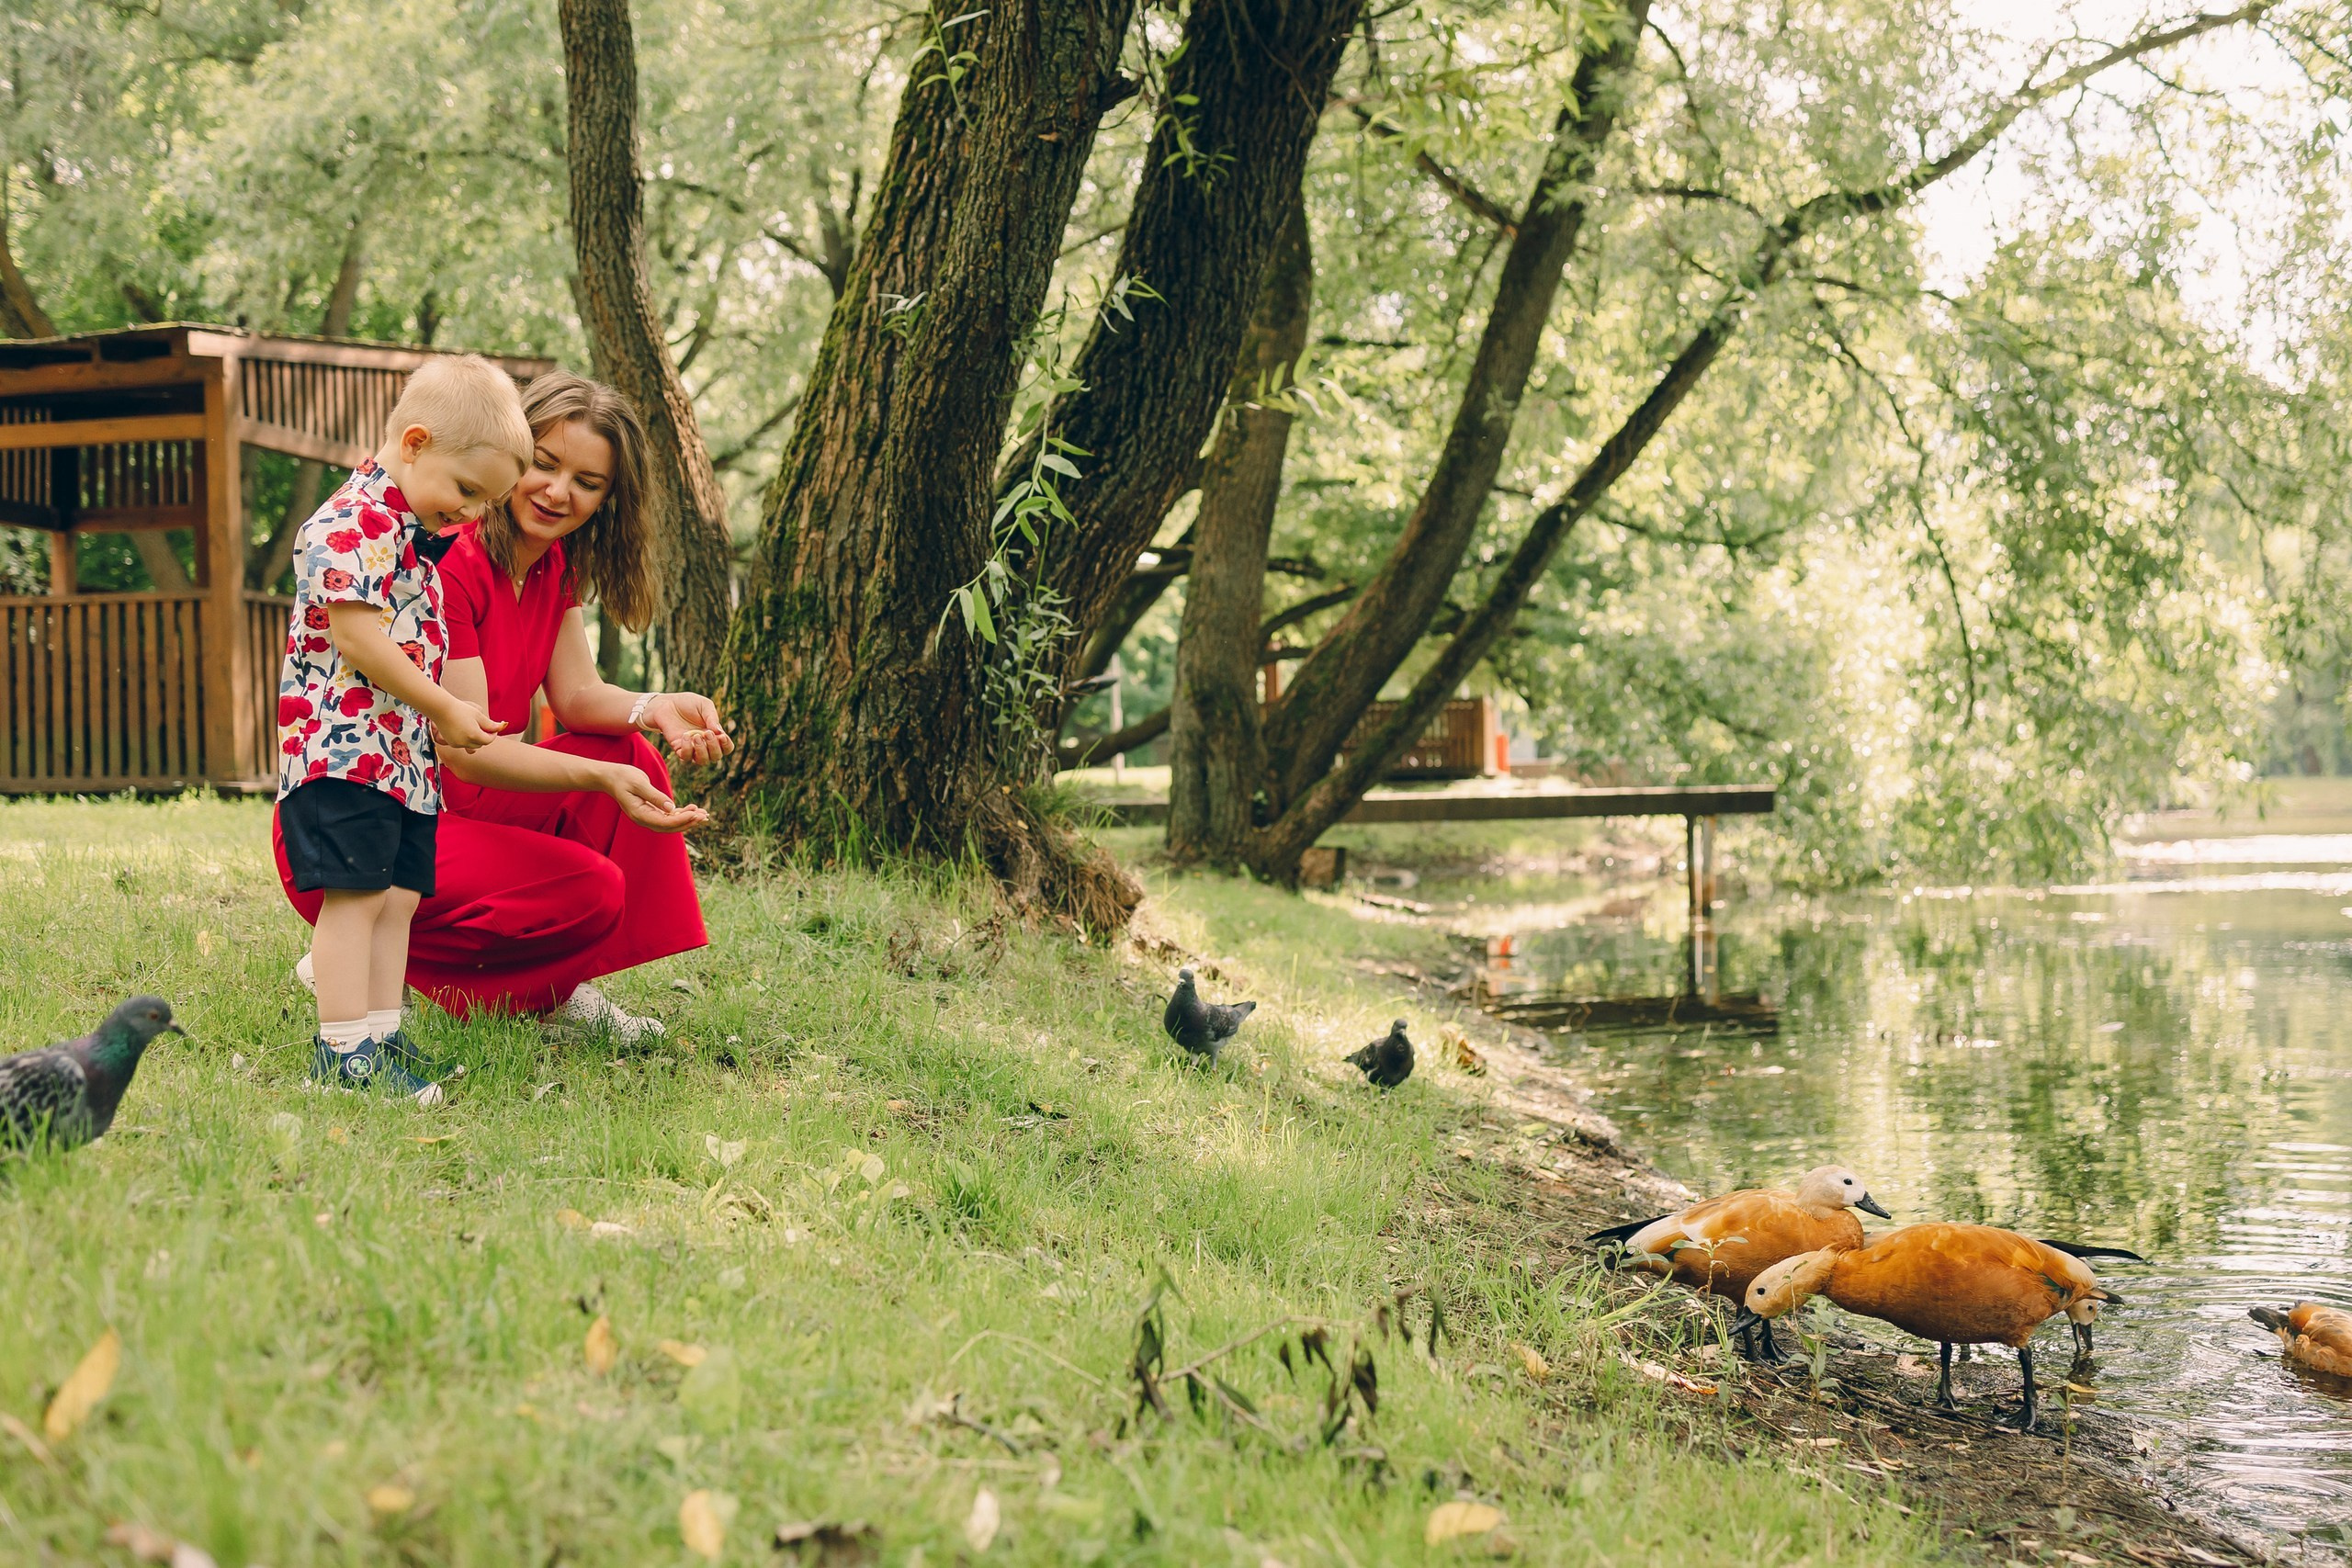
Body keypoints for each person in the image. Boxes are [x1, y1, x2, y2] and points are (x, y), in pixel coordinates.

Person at [277, 371, 729, 1042]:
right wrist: (595, 775)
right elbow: (467, 748)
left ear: (609, 498)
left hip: (445, 800)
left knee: (630, 752)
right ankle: (377, 955)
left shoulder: (552, 563)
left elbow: (576, 697)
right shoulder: (448, 555)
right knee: (589, 883)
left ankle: (556, 988)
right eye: (544, 465)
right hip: (376, 806)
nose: (558, 491)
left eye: (587, 481)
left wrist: (656, 705)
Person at [275, 355, 529, 1101]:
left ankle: (381, 1037)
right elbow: (358, 638)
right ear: (414, 442)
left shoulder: (414, 531)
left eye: (489, 500)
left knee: (398, 896)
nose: (474, 513)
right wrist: (446, 706)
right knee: (354, 896)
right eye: (467, 490)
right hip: (340, 751)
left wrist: (444, 721)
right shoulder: (350, 522)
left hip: (398, 757)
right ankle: (340, 1050)